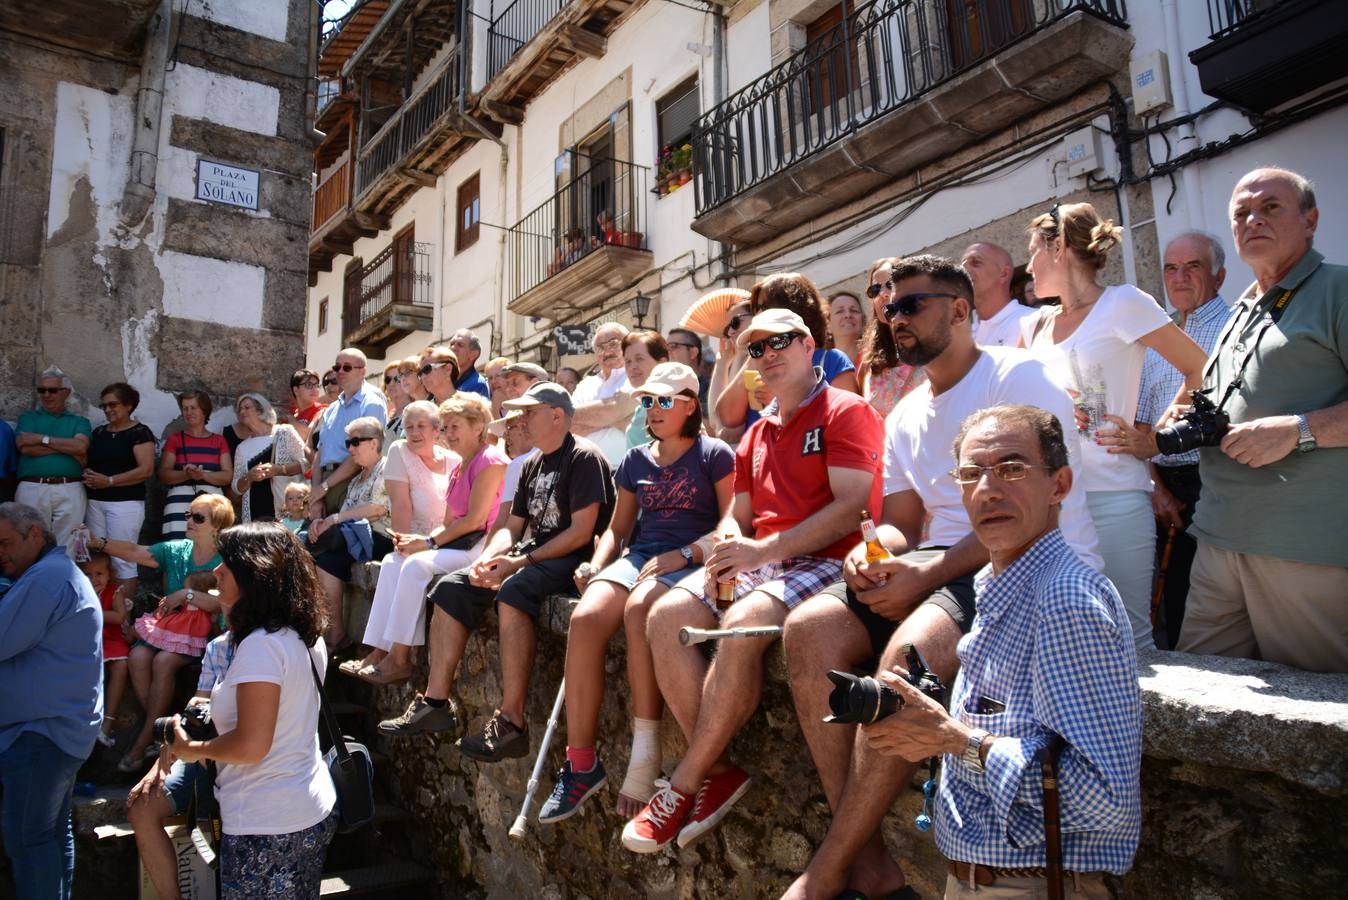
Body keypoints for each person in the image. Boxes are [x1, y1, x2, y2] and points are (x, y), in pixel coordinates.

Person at [781, 254, 1102, 900]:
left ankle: (827, 871)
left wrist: (920, 580)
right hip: (944, 564)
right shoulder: (904, 415)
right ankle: (867, 859)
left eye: (910, 305)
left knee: (900, 662)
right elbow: (903, 522)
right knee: (808, 627)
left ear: (961, 311)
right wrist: (874, 557)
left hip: (1017, 563)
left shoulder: (1019, 377)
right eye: (887, 306)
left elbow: (1033, 514)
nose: (892, 318)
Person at [623, 309, 884, 853]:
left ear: (810, 344)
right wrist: (725, 540)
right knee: (666, 615)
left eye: (778, 343)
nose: (766, 356)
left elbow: (854, 505)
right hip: (766, 560)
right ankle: (716, 767)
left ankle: (687, 781)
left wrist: (762, 548)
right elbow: (738, 512)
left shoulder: (846, 409)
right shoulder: (758, 431)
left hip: (827, 559)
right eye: (755, 349)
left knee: (738, 622)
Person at [865, 405, 1142, 899]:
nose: (988, 489)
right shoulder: (998, 584)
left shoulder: (1064, 598)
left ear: (1060, 485)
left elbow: (1103, 799)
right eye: (971, 474)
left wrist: (955, 740)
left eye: (1012, 469)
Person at [538, 362, 735, 825]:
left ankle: (644, 759)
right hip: (641, 557)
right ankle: (581, 764)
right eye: (647, 401)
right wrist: (596, 561)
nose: (653, 409)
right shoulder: (634, 459)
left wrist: (687, 553)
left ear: (690, 404)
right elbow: (618, 528)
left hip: (693, 562)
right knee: (585, 619)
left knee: (641, 607)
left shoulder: (716, 453)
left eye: (663, 400)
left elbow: (732, 522)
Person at [378, 383, 613, 763]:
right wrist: (490, 559)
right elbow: (510, 526)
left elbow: (581, 532)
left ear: (556, 416)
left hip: (571, 557)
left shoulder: (583, 457)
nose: (519, 420)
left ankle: (511, 722)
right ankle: (436, 701)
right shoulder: (533, 463)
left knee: (513, 591)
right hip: (534, 554)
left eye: (529, 412)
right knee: (453, 587)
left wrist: (517, 563)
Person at [1175, 168, 1348, 673]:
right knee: (1201, 700)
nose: (1253, 220)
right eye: (1241, 214)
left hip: (1302, 549)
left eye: (1270, 207)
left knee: (1319, 723)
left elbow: (1292, 422)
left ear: (1310, 220)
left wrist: (1299, 430)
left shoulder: (1338, 289)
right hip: (1218, 538)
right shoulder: (1241, 310)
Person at [1020, 201, 1206, 651]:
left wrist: (1157, 435)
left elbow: (1201, 368)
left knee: (1131, 640)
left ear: (1059, 247)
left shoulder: (1123, 303)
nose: (1028, 266)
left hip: (1116, 499)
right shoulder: (1035, 326)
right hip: (1053, 503)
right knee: (1065, 638)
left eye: (1033, 252)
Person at [167, 523, 337, 898]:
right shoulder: (303, 636)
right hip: (304, 807)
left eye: (227, 563)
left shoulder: (261, 646)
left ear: (255, 575)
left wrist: (191, 751)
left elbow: (250, 746)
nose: (216, 571)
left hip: (267, 822)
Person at [347, 396, 506, 685]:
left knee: (416, 566)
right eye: (446, 428)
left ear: (478, 427)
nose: (449, 434)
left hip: (483, 546)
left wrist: (429, 545)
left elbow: (475, 521)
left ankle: (400, 658)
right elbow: (447, 522)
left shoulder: (490, 460)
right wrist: (419, 540)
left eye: (455, 426)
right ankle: (380, 650)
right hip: (462, 542)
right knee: (395, 560)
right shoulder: (461, 465)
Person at [1125, 232, 1234, 648]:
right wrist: (1155, 486)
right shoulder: (1158, 340)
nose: (1180, 277)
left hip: (1216, 480)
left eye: (1194, 267)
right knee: (1172, 605)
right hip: (1161, 487)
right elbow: (1139, 426)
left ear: (1219, 276)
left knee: (1213, 610)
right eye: (1171, 267)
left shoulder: (1231, 330)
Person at [0, 502, 102, 899]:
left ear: (35, 536)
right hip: (53, 731)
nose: (0, 552)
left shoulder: (46, 578)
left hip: (40, 734)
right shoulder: (50, 574)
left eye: (6, 542)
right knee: (48, 836)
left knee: (30, 841)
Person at [95, 492, 234, 771]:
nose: (189, 521)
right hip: (168, 630)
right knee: (137, 657)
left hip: (203, 635)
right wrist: (99, 543)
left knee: (163, 661)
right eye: (188, 515)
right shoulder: (177, 549)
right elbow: (137, 552)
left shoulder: (226, 558)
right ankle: (162, 730)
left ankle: (146, 738)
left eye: (197, 517)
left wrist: (187, 594)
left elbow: (222, 604)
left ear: (217, 525)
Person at [127, 626, 233, 900]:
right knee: (143, 806)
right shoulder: (219, 647)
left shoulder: (271, 646)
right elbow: (196, 712)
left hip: (243, 761)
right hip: (205, 756)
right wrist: (159, 768)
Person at [716, 273, 861, 434]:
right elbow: (727, 417)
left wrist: (780, 403)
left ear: (794, 307)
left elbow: (849, 425)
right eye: (756, 309)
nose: (757, 316)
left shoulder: (832, 360)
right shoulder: (758, 361)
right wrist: (757, 351)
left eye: (764, 307)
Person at [308, 416, 390, 650]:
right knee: (319, 560)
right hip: (355, 538)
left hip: (379, 536)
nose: (350, 449)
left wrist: (334, 519)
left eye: (355, 442)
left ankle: (334, 636)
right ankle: (331, 633)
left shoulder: (387, 468)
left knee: (323, 558)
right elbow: (344, 516)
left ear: (374, 443)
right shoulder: (357, 479)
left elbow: (377, 509)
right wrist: (321, 523)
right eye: (348, 444)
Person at [83, 382, 156, 597]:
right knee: (96, 557)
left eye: (113, 404)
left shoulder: (140, 433)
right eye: (103, 406)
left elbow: (146, 470)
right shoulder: (98, 433)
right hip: (95, 502)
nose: (107, 410)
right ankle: (102, 612)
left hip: (125, 504)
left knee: (123, 559)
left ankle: (123, 618)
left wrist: (110, 481)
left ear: (129, 405)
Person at [14, 367, 92, 549]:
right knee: (29, 544)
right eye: (42, 390)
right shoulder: (28, 418)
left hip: (70, 488)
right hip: (33, 487)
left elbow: (81, 447)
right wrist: (68, 449)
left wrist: (42, 439)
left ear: (66, 392)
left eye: (52, 390)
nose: (46, 395)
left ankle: (62, 578)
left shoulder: (79, 421)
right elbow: (24, 447)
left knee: (68, 546)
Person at [310, 348, 388, 519]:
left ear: (363, 371)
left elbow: (364, 452)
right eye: (337, 367)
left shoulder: (372, 402)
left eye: (347, 367)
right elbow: (320, 452)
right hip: (327, 480)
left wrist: (324, 487)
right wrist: (316, 495)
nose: (340, 371)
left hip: (353, 479)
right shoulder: (331, 408)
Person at [158, 390, 233, 538]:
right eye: (185, 408)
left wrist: (202, 475)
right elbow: (163, 474)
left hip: (211, 506)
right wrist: (185, 474)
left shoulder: (218, 441)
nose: (188, 412)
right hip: (178, 506)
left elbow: (227, 476)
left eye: (193, 408)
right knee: (176, 550)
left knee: (209, 549)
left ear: (204, 410)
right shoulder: (175, 439)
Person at [859, 257, 926, 418]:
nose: (883, 294)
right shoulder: (867, 365)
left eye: (891, 284)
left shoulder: (933, 344)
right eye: (875, 289)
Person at [230, 393, 306, 524]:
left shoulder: (285, 432)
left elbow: (307, 463)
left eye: (246, 407)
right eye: (239, 409)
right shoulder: (242, 447)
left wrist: (279, 470)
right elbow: (236, 487)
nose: (242, 411)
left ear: (260, 410)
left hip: (284, 511)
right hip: (255, 514)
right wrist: (250, 476)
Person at [82, 552, 130, 749]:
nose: (93, 580)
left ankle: (107, 722)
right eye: (87, 574)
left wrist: (91, 609)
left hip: (111, 637)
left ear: (109, 574)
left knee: (121, 665)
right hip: (88, 639)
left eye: (99, 574)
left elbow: (119, 617)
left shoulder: (114, 591)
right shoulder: (79, 589)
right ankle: (87, 720)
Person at [571, 322, 634, 465]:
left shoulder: (635, 376)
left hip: (625, 469)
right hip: (588, 469)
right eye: (600, 347)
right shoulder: (585, 385)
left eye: (613, 344)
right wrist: (614, 419)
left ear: (628, 345)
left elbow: (618, 410)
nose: (606, 351)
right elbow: (569, 423)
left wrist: (591, 420)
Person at [963, 242, 1036, 348]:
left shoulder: (1034, 322)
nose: (964, 270)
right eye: (962, 265)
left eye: (975, 263)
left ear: (1004, 273)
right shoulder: (961, 337)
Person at [707, 294, 754, 442]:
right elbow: (718, 424)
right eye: (727, 327)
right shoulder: (742, 359)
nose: (730, 332)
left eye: (735, 322)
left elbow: (727, 431)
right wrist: (722, 364)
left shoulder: (766, 361)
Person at [622, 330, 671, 449]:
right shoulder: (641, 407)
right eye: (628, 361)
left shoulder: (671, 402)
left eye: (639, 359)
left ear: (661, 363)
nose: (632, 367)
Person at [666, 327, 710, 413]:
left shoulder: (709, 390)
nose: (668, 352)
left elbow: (711, 423)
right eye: (666, 348)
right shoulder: (663, 389)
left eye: (673, 346)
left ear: (692, 352)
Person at [283, 368, 327, 448]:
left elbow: (308, 436)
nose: (315, 389)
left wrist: (291, 420)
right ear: (296, 390)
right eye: (309, 385)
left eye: (317, 385)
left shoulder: (322, 410)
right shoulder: (293, 414)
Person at [449, 329, 492, 399]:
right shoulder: (447, 379)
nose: (453, 348)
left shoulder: (478, 384)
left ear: (473, 354)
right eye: (451, 344)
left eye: (460, 345)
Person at [827, 291, 866, 366]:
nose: (848, 315)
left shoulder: (877, 360)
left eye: (854, 311)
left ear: (863, 322)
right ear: (828, 325)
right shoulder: (822, 369)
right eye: (839, 311)